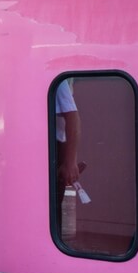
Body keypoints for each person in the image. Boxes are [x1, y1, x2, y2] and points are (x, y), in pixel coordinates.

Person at [55, 78, 81, 221]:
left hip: (55, 148)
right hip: (52, 147)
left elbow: (73, 117)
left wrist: (70, 162)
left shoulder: (58, 82)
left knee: (52, 206)